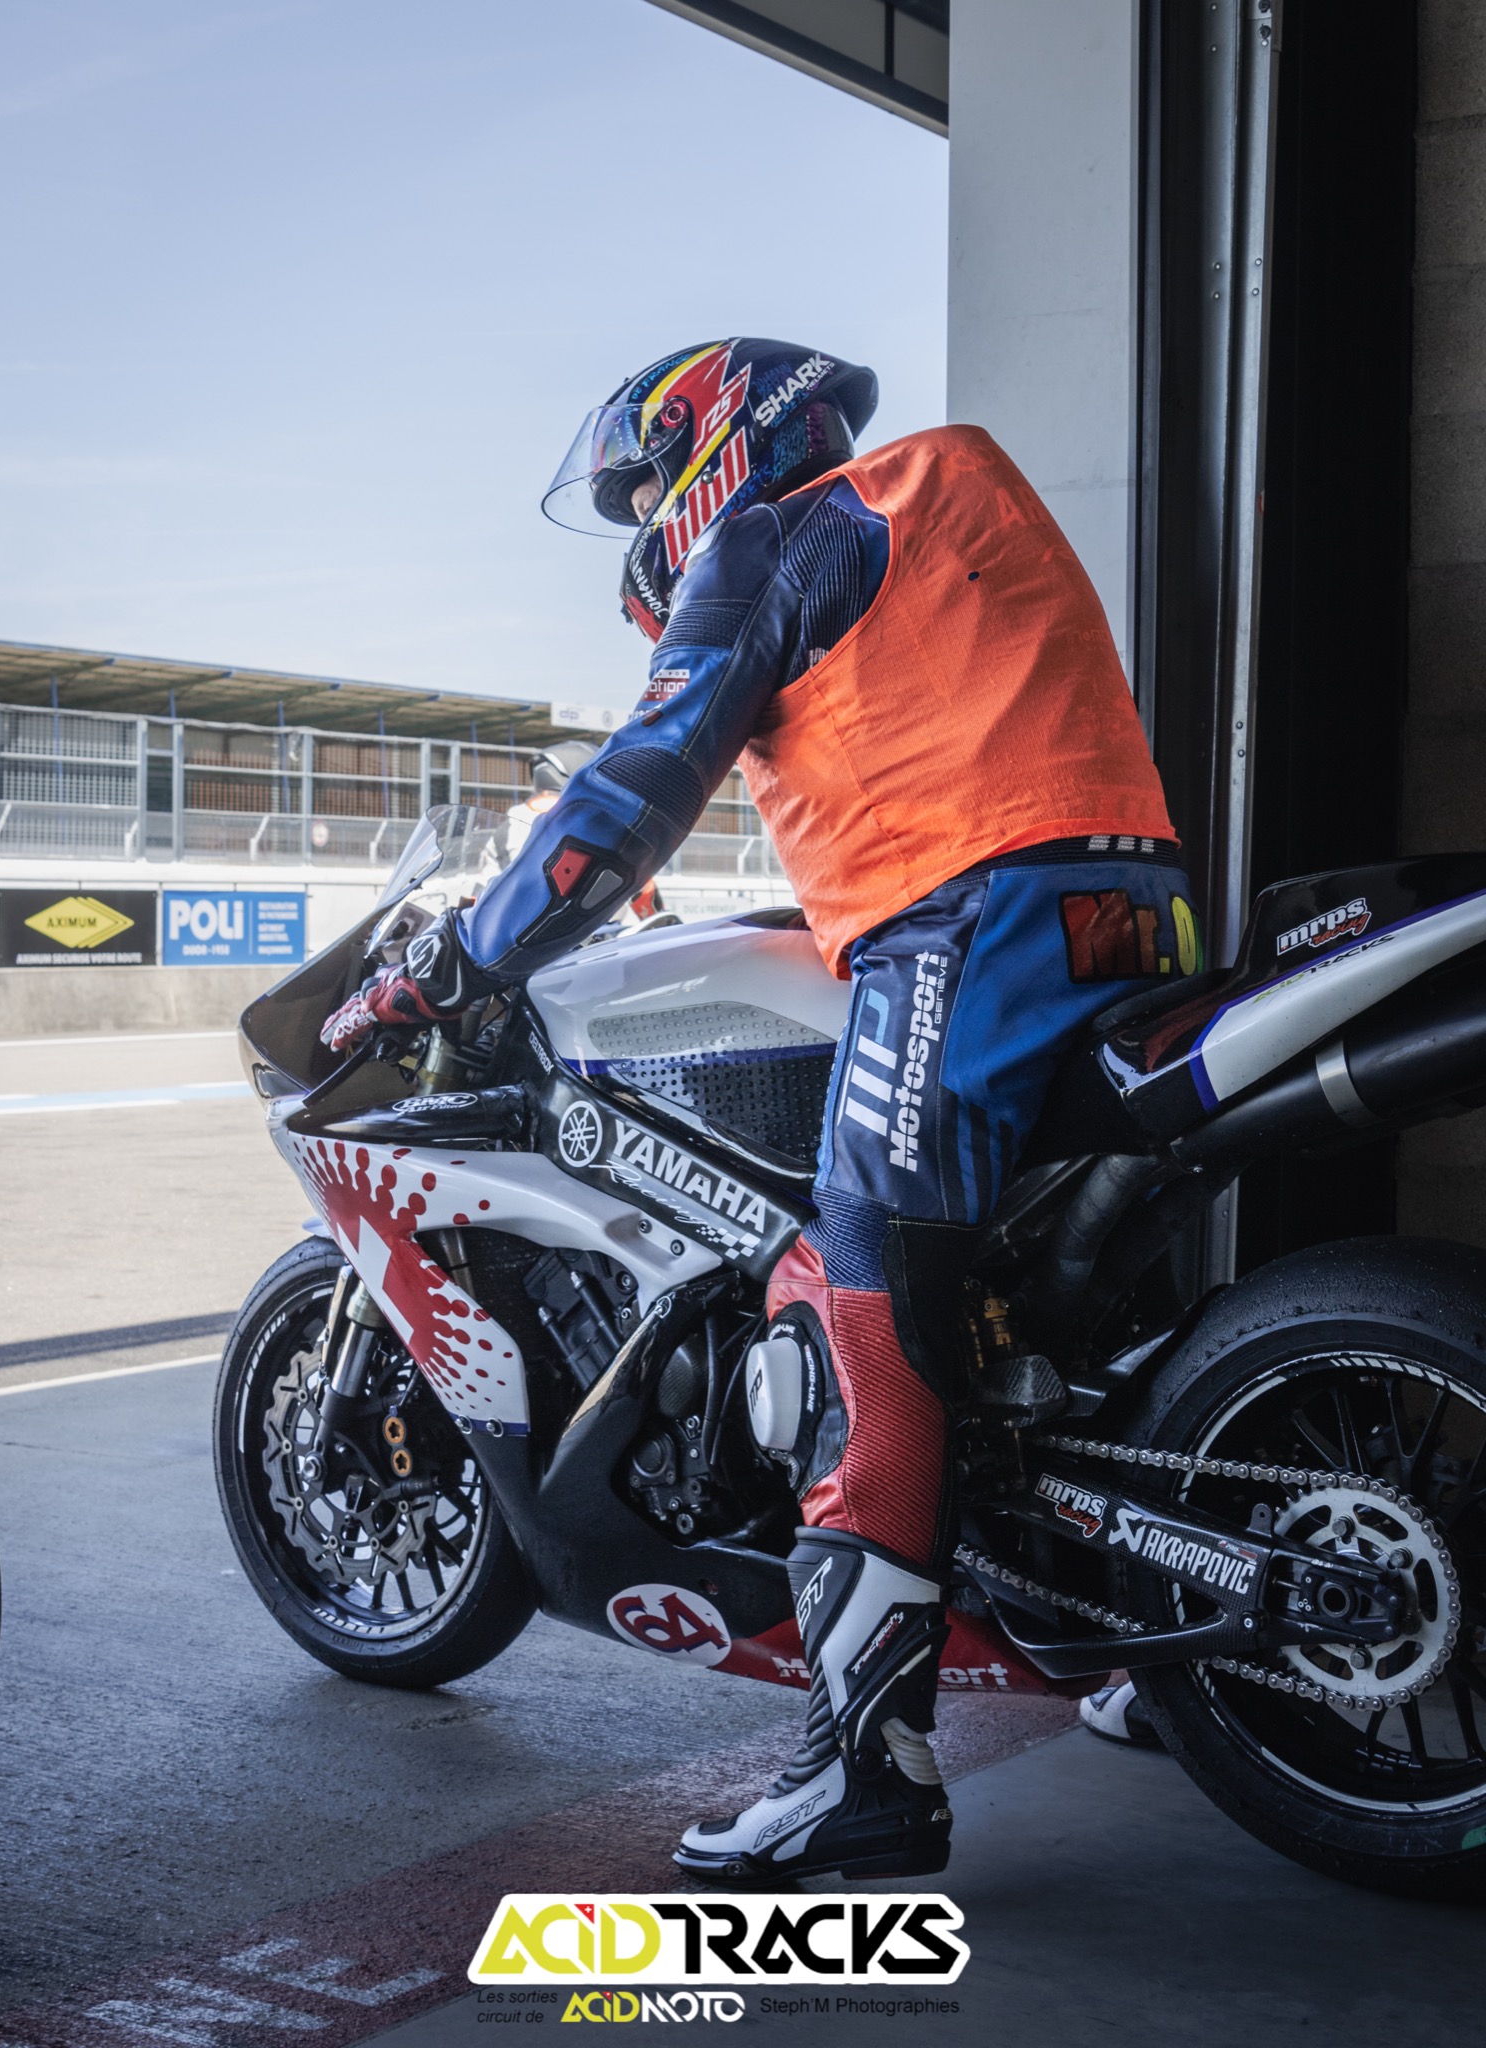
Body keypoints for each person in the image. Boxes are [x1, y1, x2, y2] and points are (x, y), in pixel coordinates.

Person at [322, 338, 1195, 1882]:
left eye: (646, 488)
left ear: (712, 443)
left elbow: (638, 784)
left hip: (967, 921)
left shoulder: (777, 535)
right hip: (1122, 911)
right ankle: (1149, 1645)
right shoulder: (929, 499)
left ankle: (865, 1769)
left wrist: (463, 957)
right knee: (1048, 1295)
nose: (647, 524)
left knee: (862, 1288)